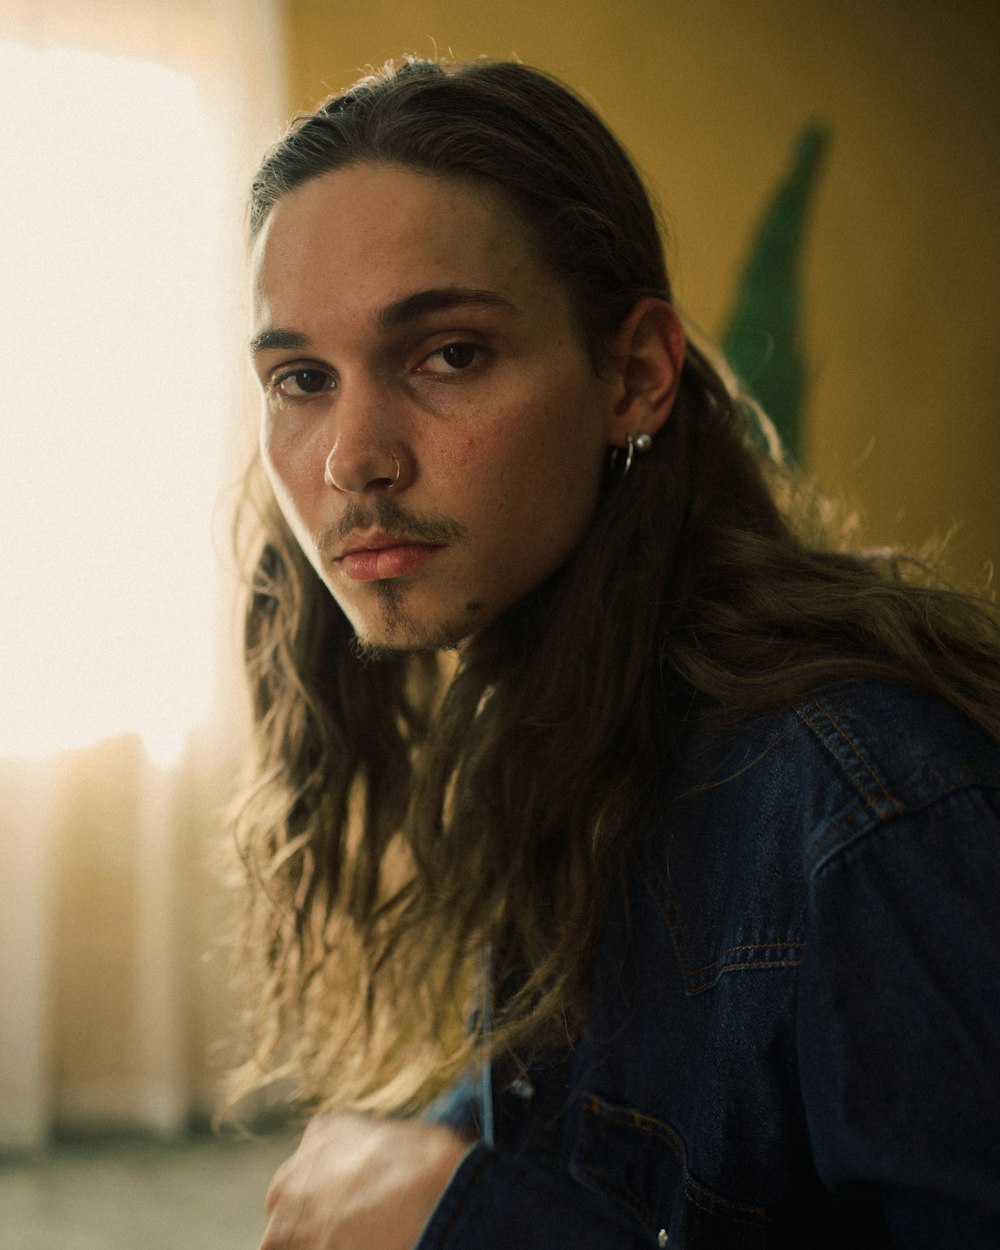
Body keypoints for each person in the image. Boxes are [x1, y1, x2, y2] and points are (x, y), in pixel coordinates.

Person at [232, 57, 1000, 1249]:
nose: (351, 460)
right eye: (302, 378)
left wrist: (469, 1217)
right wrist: (437, 1148)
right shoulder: (559, 714)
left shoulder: (866, 803)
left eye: (448, 354)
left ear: (634, 373)